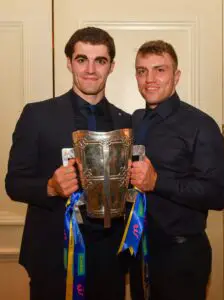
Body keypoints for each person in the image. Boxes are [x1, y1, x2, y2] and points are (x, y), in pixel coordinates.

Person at [5, 27, 131, 300]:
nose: (90, 69)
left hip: (111, 258)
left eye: (100, 60)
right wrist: (50, 187)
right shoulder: (37, 115)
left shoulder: (126, 122)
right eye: (81, 59)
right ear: (69, 62)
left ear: (112, 66)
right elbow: (13, 184)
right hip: (53, 256)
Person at [129, 40, 224, 300]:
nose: (149, 79)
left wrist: (157, 182)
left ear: (177, 76)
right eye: (142, 71)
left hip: (181, 257)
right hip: (138, 251)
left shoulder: (201, 125)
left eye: (160, 70)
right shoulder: (135, 120)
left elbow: (218, 195)